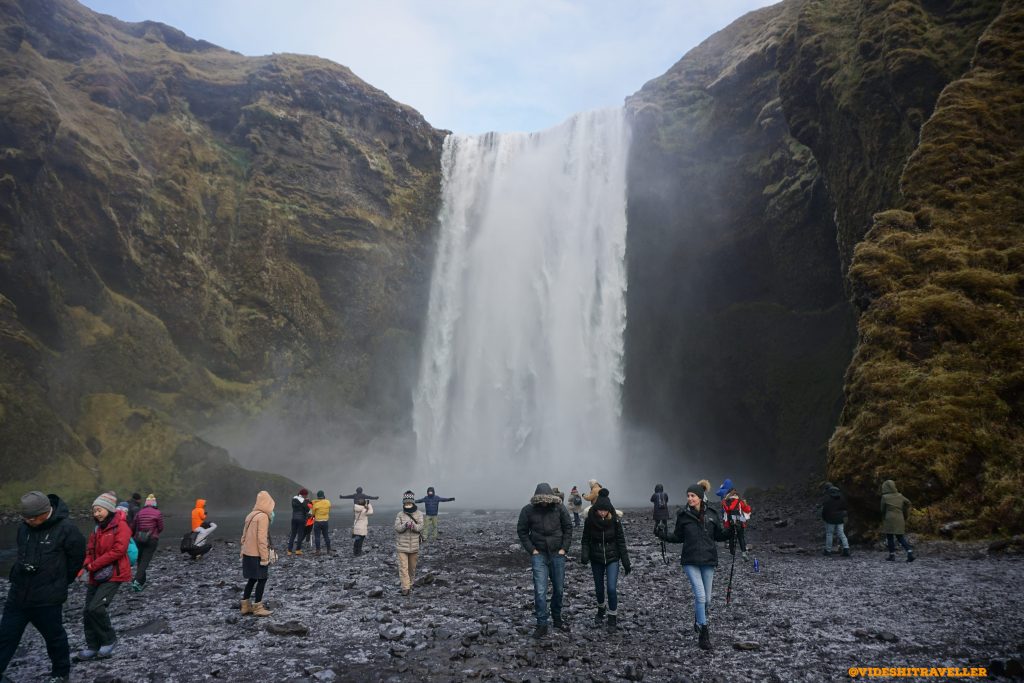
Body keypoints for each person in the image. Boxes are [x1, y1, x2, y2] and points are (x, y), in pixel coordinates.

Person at [0, 492, 86, 683]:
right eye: (25, 518)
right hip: (18, 594)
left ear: (45, 512)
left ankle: (61, 674)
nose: (28, 521)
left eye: (32, 518)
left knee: (54, 637)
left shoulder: (67, 529)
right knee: (5, 636)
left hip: (47, 598)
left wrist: (59, 581)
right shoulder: (23, 528)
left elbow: (77, 559)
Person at [656, 483, 730, 651]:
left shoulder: (712, 515)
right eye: (688, 495)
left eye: (692, 496)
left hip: (709, 560)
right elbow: (677, 537)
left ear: (699, 498)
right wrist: (662, 535)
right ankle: (704, 633)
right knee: (701, 596)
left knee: (708, 599)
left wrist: (733, 530)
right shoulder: (683, 516)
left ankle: (698, 618)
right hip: (690, 561)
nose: (689, 498)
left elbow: (719, 535)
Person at [516, 482, 573, 638]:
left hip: (557, 554)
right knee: (540, 591)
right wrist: (532, 550)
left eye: (547, 499)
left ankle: (557, 618)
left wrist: (564, 549)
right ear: (537, 499)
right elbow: (522, 531)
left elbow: (568, 527)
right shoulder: (528, 511)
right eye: (541, 500)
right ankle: (542, 624)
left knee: (559, 590)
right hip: (539, 554)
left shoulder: (559, 508)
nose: (544, 502)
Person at [80, 491, 131, 660]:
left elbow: (118, 550)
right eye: (94, 511)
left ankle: (109, 640)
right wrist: (86, 564)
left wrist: (94, 564)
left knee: (96, 607)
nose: (96, 514)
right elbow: (90, 549)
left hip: (114, 574)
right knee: (87, 611)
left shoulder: (121, 526)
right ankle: (92, 647)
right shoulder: (97, 529)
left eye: (99, 510)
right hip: (96, 574)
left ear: (109, 509)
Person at [580, 489, 631, 630]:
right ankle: (601, 608)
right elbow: (585, 540)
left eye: (605, 511)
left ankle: (612, 617)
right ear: (596, 509)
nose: (602, 513)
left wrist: (626, 562)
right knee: (599, 588)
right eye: (600, 510)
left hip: (612, 558)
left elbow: (621, 542)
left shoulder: (615, 521)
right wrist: (585, 555)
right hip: (596, 558)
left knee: (611, 588)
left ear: (609, 510)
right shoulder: (590, 521)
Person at [240, 490, 275, 617]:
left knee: (252, 578)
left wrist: (242, 551)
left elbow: (243, 536)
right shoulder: (263, 517)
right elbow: (262, 539)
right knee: (262, 579)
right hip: (257, 554)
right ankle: (258, 607)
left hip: (247, 553)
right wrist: (265, 558)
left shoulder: (250, 515)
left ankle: (245, 606)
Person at [129, 494, 163, 591]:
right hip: (152, 539)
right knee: (145, 561)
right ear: (155, 503)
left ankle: (141, 580)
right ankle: (137, 581)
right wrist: (154, 533)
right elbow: (160, 528)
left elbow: (133, 526)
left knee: (140, 560)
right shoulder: (158, 513)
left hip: (138, 539)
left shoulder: (140, 512)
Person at [394, 491, 425, 595]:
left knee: (412, 568)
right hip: (402, 546)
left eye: (409, 503)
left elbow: (421, 526)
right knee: (403, 567)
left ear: (413, 502)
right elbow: (397, 528)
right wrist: (405, 526)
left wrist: (413, 526)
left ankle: (410, 584)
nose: (407, 505)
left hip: (414, 546)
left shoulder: (419, 514)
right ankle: (405, 588)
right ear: (404, 503)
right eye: (406, 503)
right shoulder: (400, 514)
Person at [880, 480, 914, 562]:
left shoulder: (885, 497)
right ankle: (909, 551)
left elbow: (882, 510)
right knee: (900, 537)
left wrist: (884, 517)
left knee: (890, 537)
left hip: (889, 518)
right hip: (899, 517)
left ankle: (892, 555)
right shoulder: (900, 495)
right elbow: (908, 503)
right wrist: (904, 510)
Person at [721, 486, 752, 561]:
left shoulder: (725, 501)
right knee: (741, 537)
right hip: (739, 520)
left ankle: (732, 553)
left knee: (731, 536)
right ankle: (744, 553)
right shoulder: (740, 501)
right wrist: (746, 504)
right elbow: (747, 510)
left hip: (730, 521)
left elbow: (726, 511)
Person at [821, 483, 850, 556]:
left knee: (829, 534)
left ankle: (828, 550)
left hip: (830, 520)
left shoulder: (827, 500)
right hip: (840, 519)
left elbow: (824, 511)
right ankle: (846, 549)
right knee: (841, 534)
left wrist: (824, 518)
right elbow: (845, 508)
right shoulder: (842, 499)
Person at [287, 488, 310, 556]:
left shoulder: (294, 499)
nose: (306, 496)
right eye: (306, 495)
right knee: (300, 534)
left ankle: (289, 551)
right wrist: (307, 502)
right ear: (304, 495)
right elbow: (307, 509)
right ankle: (298, 550)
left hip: (294, 518)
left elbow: (297, 507)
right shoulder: (303, 501)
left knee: (293, 534)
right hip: (301, 519)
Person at [311, 490, 332, 555]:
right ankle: (329, 550)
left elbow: (313, 513)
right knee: (326, 536)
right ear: (323, 495)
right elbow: (329, 509)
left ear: (317, 496)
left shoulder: (315, 504)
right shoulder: (328, 502)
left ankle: (318, 551)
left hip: (317, 521)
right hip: (325, 521)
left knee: (317, 536)